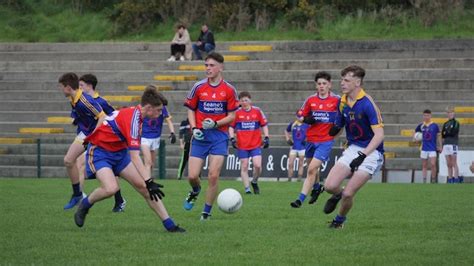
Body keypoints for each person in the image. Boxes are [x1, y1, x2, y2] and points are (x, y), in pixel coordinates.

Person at [74, 86, 185, 233]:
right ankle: (85, 204)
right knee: (111, 188)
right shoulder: (134, 119)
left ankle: (170, 225)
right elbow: (134, 156)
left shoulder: (138, 115)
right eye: (159, 110)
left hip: (119, 153)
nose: (160, 114)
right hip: (100, 152)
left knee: (145, 189)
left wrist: (147, 183)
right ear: (149, 108)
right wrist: (149, 180)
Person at [322, 65, 384, 229]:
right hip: (352, 149)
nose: (342, 83)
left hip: (371, 153)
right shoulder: (342, 101)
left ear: (357, 82)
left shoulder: (367, 104)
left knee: (349, 193)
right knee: (329, 186)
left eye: (346, 80)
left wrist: (363, 155)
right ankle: (338, 195)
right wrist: (334, 130)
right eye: (341, 79)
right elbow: (340, 124)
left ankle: (339, 221)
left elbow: (379, 135)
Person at [182, 52, 239, 220]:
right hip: (200, 137)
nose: (208, 68)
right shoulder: (198, 87)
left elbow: (232, 116)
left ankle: (205, 213)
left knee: (213, 175)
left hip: (219, 137)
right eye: (206, 65)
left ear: (221, 67)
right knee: (192, 176)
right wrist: (194, 128)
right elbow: (191, 109)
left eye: (212, 65)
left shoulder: (229, 90)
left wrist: (216, 123)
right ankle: (195, 190)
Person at [76, 73, 126, 212]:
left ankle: (119, 200)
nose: (79, 89)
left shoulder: (102, 102)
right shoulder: (79, 101)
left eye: (81, 86)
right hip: (87, 139)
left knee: (111, 173)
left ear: (90, 86)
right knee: (78, 164)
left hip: (102, 141)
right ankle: (79, 197)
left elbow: (114, 117)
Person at [289, 71, 340, 208]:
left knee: (311, 169)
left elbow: (343, 117)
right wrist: (304, 118)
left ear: (330, 85)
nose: (322, 86)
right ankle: (317, 187)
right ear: (316, 85)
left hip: (325, 141)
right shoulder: (311, 100)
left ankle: (300, 199)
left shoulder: (337, 100)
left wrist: (337, 132)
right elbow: (300, 113)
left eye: (324, 83)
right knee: (313, 169)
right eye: (319, 84)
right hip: (311, 139)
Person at [59, 72, 106, 210]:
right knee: (68, 160)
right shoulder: (73, 99)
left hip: (96, 135)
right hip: (85, 134)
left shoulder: (85, 100)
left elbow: (102, 117)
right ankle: (77, 194)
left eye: (61, 87)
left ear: (68, 87)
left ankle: (119, 198)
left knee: (109, 170)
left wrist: (93, 136)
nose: (61, 90)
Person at [229, 91, 270, 194]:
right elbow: (231, 127)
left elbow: (264, 124)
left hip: (255, 144)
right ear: (239, 102)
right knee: (244, 165)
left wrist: (267, 137)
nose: (244, 102)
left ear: (250, 100)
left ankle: (254, 181)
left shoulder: (257, 111)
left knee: (257, 165)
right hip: (242, 145)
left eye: (246, 100)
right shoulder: (237, 113)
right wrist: (232, 138)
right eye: (242, 100)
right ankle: (247, 189)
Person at [141, 93, 176, 180]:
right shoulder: (146, 109)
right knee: (147, 163)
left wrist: (172, 132)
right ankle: (147, 183)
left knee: (151, 164)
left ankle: (149, 179)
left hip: (156, 137)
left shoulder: (162, 108)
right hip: (145, 137)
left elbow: (168, 120)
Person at [414, 109, 442, 184]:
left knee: (433, 164)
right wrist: (416, 139)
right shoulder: (421, 126)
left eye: (428, 115)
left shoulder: (434, 125)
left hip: (432, 148)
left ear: (430, 116)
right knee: (424, 165)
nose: (426, 117)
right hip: (424, 148)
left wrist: (440, 146)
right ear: (423, 116)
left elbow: (438, 136)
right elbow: (415, 135)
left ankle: (433, 180)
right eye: (425, 115)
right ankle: (424, 180)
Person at [441, 106, 461, 183]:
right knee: (448, 163)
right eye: (449, 112)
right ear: (447, 114)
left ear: (454, 113)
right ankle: (450, 179)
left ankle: (456, 178)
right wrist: (446, 133)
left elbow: (453, 132)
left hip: (453, 144)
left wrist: (447, 133)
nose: (450, 114)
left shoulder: (456, 123)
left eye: (452, 112)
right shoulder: (445, 123)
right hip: (446, 144)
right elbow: (443, 134)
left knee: (454, 162)